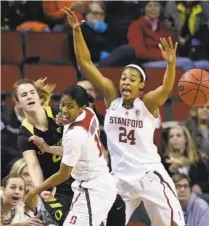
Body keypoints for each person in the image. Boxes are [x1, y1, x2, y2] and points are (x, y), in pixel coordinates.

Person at [63, 7, 185, 226]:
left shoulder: (146, 104)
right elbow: (86, 64)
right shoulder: (112, 99)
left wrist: (171, 64)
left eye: (132, 79)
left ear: (141, 86)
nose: (126, 82)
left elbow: (166, 88)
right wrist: (76, 31)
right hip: (119, 179)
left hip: (148, 175)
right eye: (124, 78)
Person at [24, 85, 117, 226]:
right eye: (62, 104)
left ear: (81, 108)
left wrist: (34, 192)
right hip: (94, 184)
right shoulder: (89, 113)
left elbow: (63, 174)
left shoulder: (76, 134)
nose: (64, 110)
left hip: (93, 189)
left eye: (70, 106)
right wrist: (48, 148)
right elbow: (77, 151)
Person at [13, 78, 74, 225]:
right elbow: (34, 166)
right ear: (18, 103)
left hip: (79, 176)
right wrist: (41, 189)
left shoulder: (58, 115)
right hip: (56, 189)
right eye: (24, 95)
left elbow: (77, 149)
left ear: (38, 97)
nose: (29, 96)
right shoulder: (25, 136)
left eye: (32, 92)